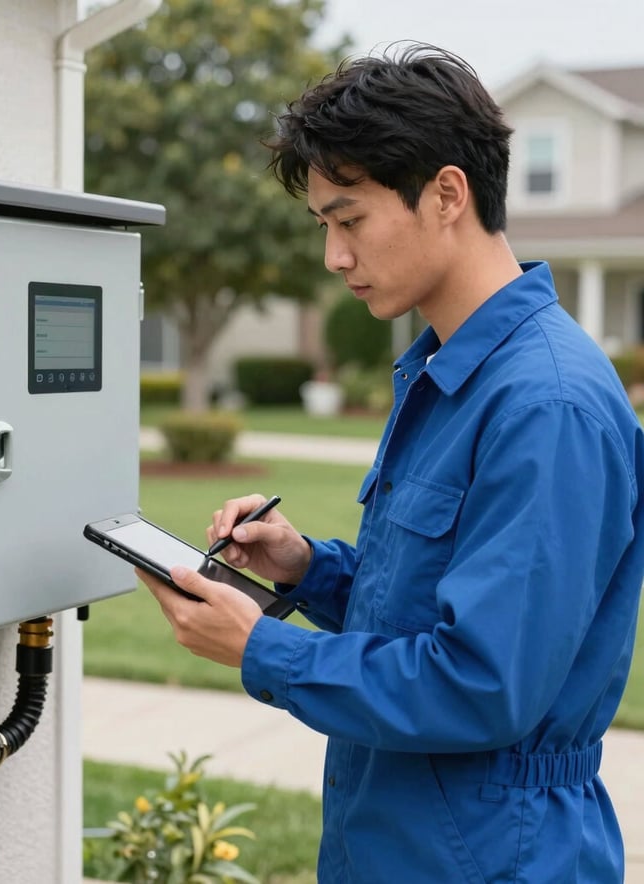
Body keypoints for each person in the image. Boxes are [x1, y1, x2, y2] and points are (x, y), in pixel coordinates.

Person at [136, 43, 644, 882]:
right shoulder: (448, 374)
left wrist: (264, 647)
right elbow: (431, 608)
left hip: (496, 856)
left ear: (447, 194)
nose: (335, 257)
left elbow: (483, 683)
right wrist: (308, 571)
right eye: (325, 226)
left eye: (350, 219)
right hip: (397, 838)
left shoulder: (546, 404)